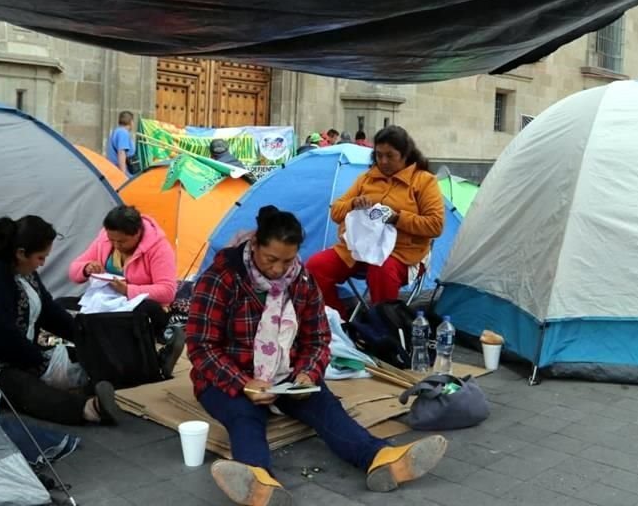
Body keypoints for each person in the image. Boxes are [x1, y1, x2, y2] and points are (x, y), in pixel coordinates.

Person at [187, 206, 446, 506]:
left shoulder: (302, 280)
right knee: (245, 416)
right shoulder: (221, 277)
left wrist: (307, 373)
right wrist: (244, 382)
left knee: (325, 406)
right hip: (229, 377)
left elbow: (318, 338)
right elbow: (200, 346)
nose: (278, 269)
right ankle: (258, 481)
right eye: (271, 259)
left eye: (287, 261)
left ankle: (382, 458)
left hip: (285, 376)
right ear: (254, 245)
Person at [0, 216, 123, 425]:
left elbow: (49, 311)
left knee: (81, 356)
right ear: (21, 253)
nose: (42, 264)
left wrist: (84, 336)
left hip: (17, 349)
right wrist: (37, 361)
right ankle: (89, 409)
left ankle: (116, 379)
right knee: (22, 385)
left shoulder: (22, 269)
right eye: (40, 258)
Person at [306, 126, 444, 314]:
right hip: (359, 248)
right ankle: (336, 319)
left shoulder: (424, 181)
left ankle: (384, 327)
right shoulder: (366, 179)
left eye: (390, 156)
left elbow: (435, 225)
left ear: (405, 155)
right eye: (378, 155)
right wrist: (354, 203)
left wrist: (397, 218)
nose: (383, 161)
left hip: (401, 254)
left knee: (381, 271)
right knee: (315, 267)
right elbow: (336, 212)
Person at [69, 205, 184, 378]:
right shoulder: (105, 239)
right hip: (107, 300)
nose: (116, 245)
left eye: (121, 242)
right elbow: (73, 270)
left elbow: (167, 291)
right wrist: (86, 268)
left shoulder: (158, 247)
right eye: (112, 240)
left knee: (135, 314)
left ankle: (150, 361)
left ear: (137, 233)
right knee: (62, 305)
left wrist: (129, 290)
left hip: (141, 305)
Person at [106, 110, 137, 175]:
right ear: (131, 122)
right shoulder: (123, 133)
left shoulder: (117, 131)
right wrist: (122, 175)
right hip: (123, 173)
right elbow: (121, 153)